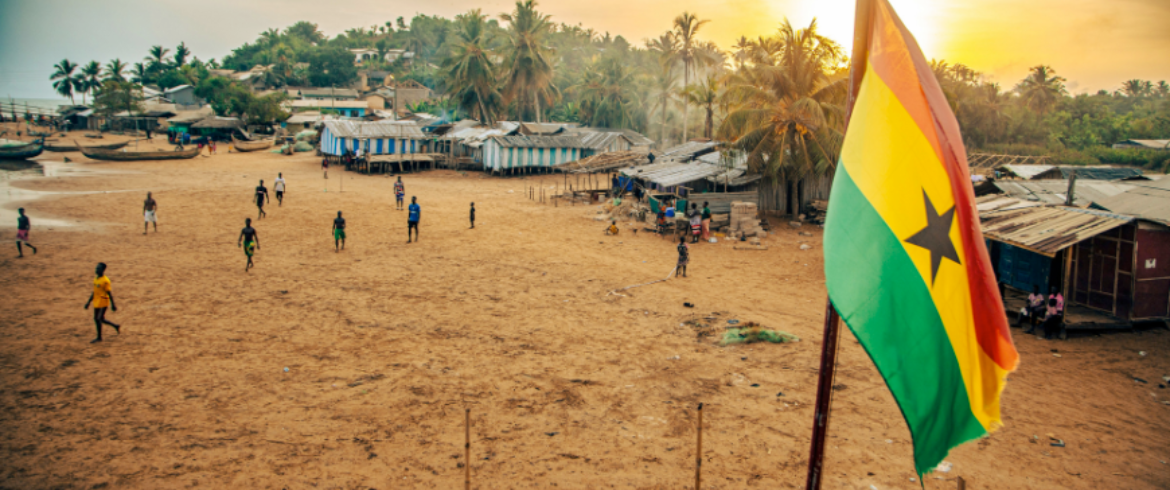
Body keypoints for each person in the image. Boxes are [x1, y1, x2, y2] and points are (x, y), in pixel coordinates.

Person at [83, 262, 120, 343]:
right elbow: (94, 292)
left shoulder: (106, 281)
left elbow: (109, 293)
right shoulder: (96, 279)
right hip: (96, 302)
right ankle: (115, 326)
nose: (96, 270)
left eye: (98, 268)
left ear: (103, 270)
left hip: (103, 302)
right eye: (96, 268)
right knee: (98, 319)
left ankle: (99, 337)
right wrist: (88, 302)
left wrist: (113, 305)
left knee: (99, 318)